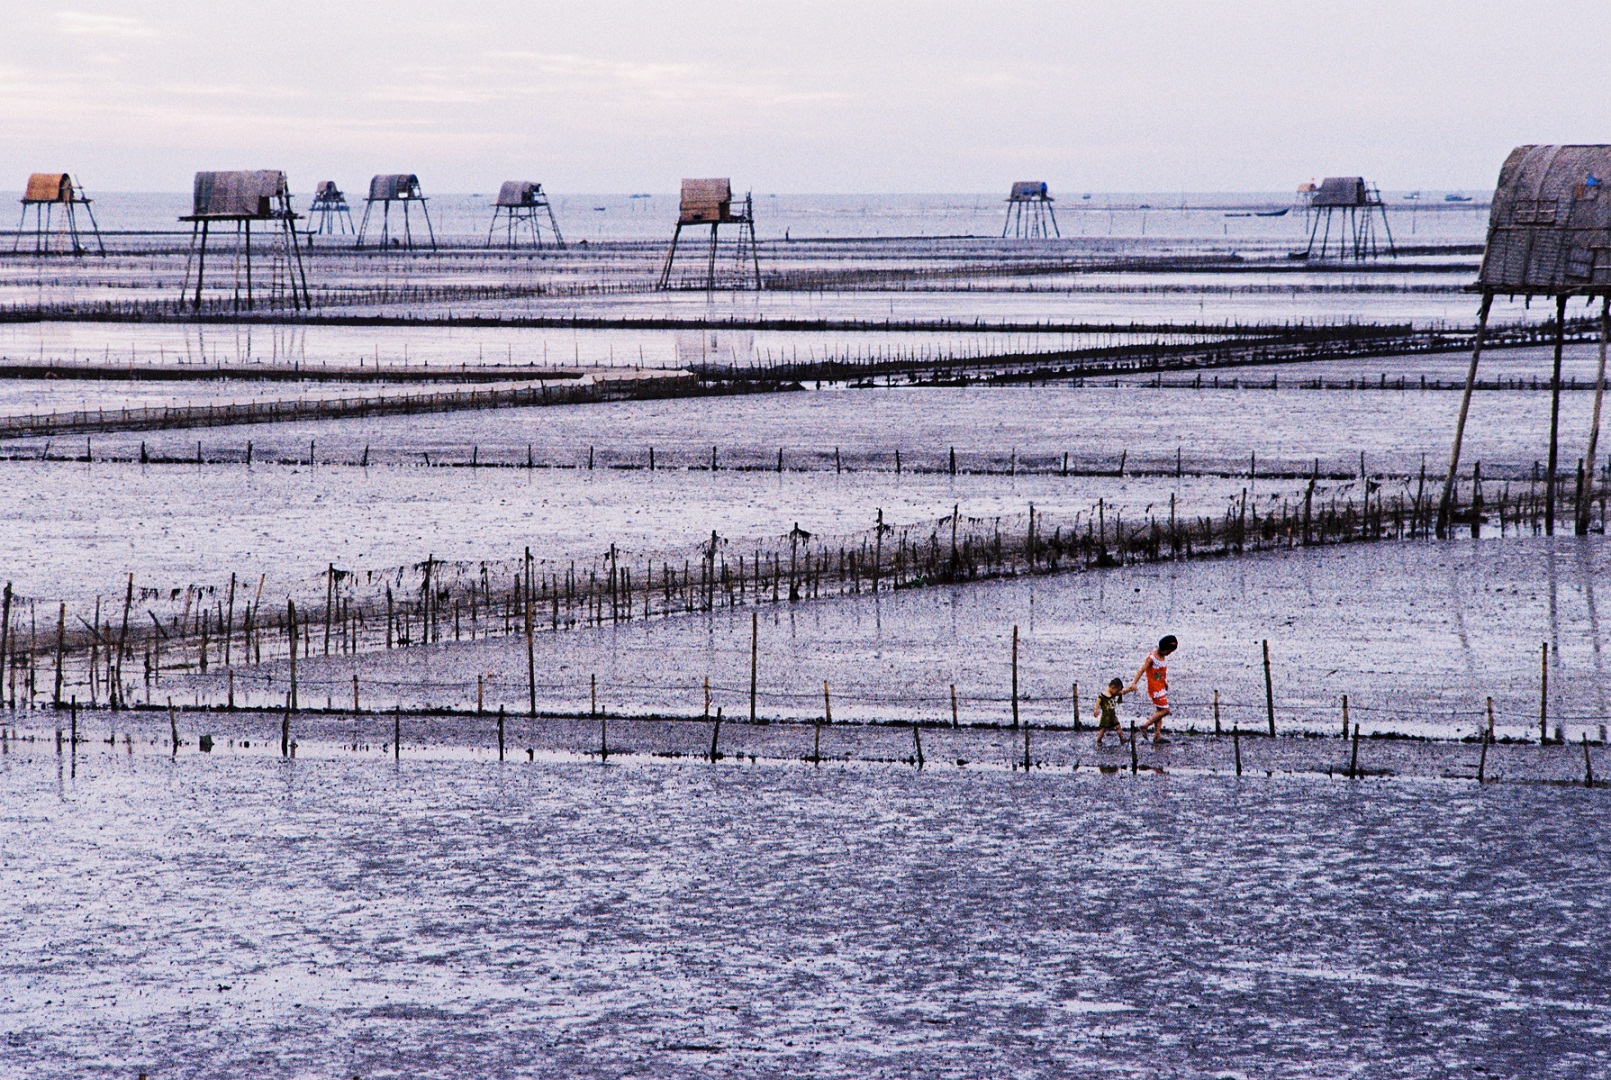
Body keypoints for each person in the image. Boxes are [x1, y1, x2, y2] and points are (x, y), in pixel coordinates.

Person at [1125, 635, 1177, 744]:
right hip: (1155, 688)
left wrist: (1165, 682)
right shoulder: (1152, 658)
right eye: (1168, 651)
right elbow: (1142, 670)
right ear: (1163, 648)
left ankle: (1157, 736)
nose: (1168, 654)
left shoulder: (1162, 657)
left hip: (1161, 686)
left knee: (1159, 711)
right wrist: (1134, 683)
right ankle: (1144, 726)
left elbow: (1161, 672)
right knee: (1165, 710)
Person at [1093, 677, 1129, 747]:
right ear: (1112, 687)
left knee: (1118, 726)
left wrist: (1130, 689)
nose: (1117, 692)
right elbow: (1097, 703)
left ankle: (1122, 739)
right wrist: (1095, 710)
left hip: (1113, 715)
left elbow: (1122, 692)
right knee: (1103, 729)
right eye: (1116, 690)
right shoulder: (1103, 695)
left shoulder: (1113, 694)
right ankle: (1098, 741)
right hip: (1105, 716)